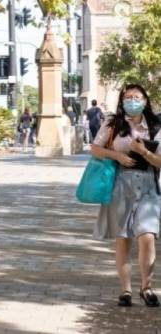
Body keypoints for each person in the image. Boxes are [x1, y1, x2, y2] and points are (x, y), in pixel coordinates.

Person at [92, 84, 161, 307]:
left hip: (148, 186)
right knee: (123, 240)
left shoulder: (155, 125)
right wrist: (117, 156)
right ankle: (126, 290)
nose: (132, 100)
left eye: (136, 97)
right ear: (122, 101)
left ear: (145, 100)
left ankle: (146, 287)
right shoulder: (113, 123)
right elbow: (95, 148)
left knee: (148, 236)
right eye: (127, 97)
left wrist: (144, 152)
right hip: (120, 185)